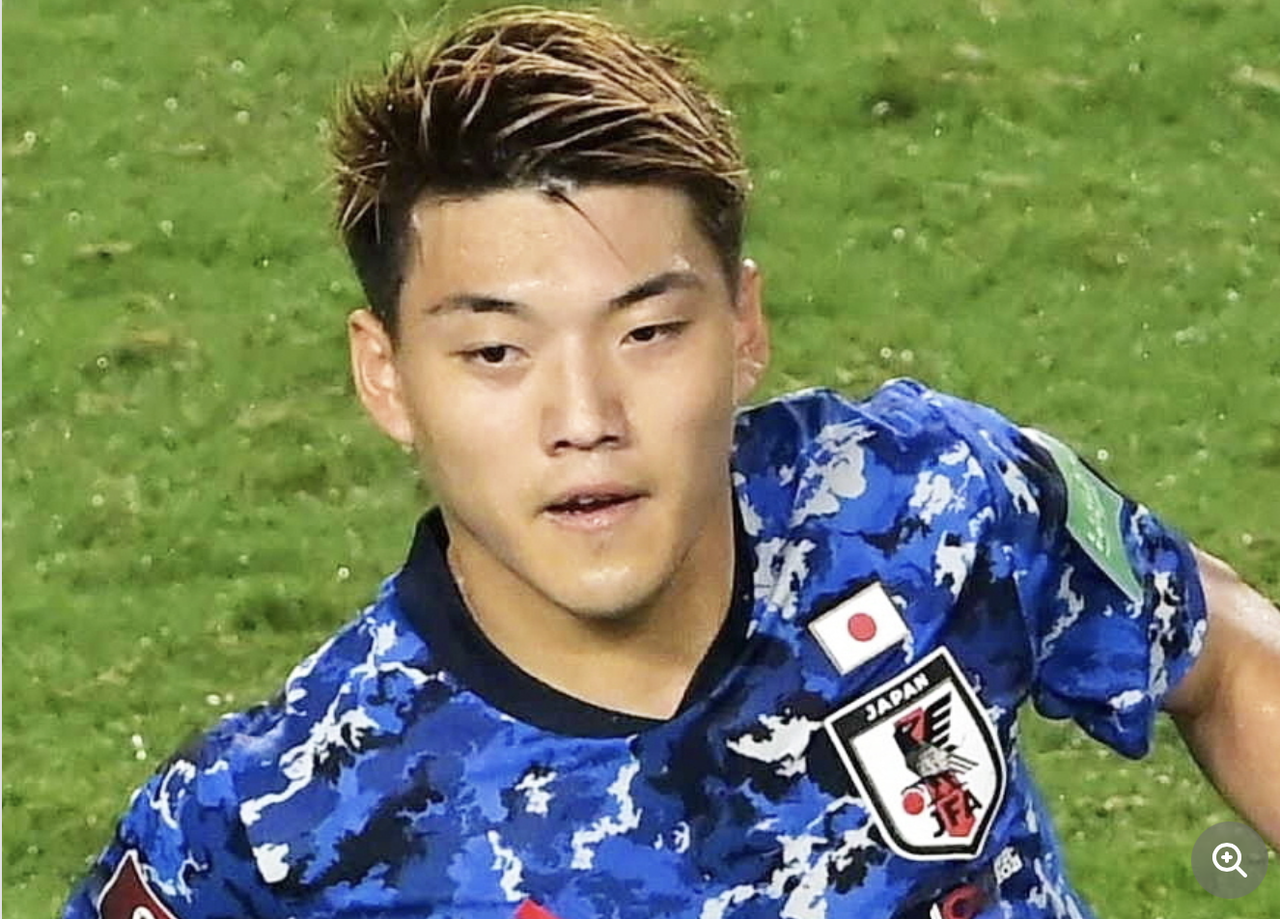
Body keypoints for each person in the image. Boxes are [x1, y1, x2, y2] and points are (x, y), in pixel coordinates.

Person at [64, 7, 1280, 918]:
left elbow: (1218, 650)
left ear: (742, 327)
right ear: (386, 376)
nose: (584, 416)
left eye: (646, 332)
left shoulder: (924, 504)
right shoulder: (276, 822)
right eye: (494, 351)